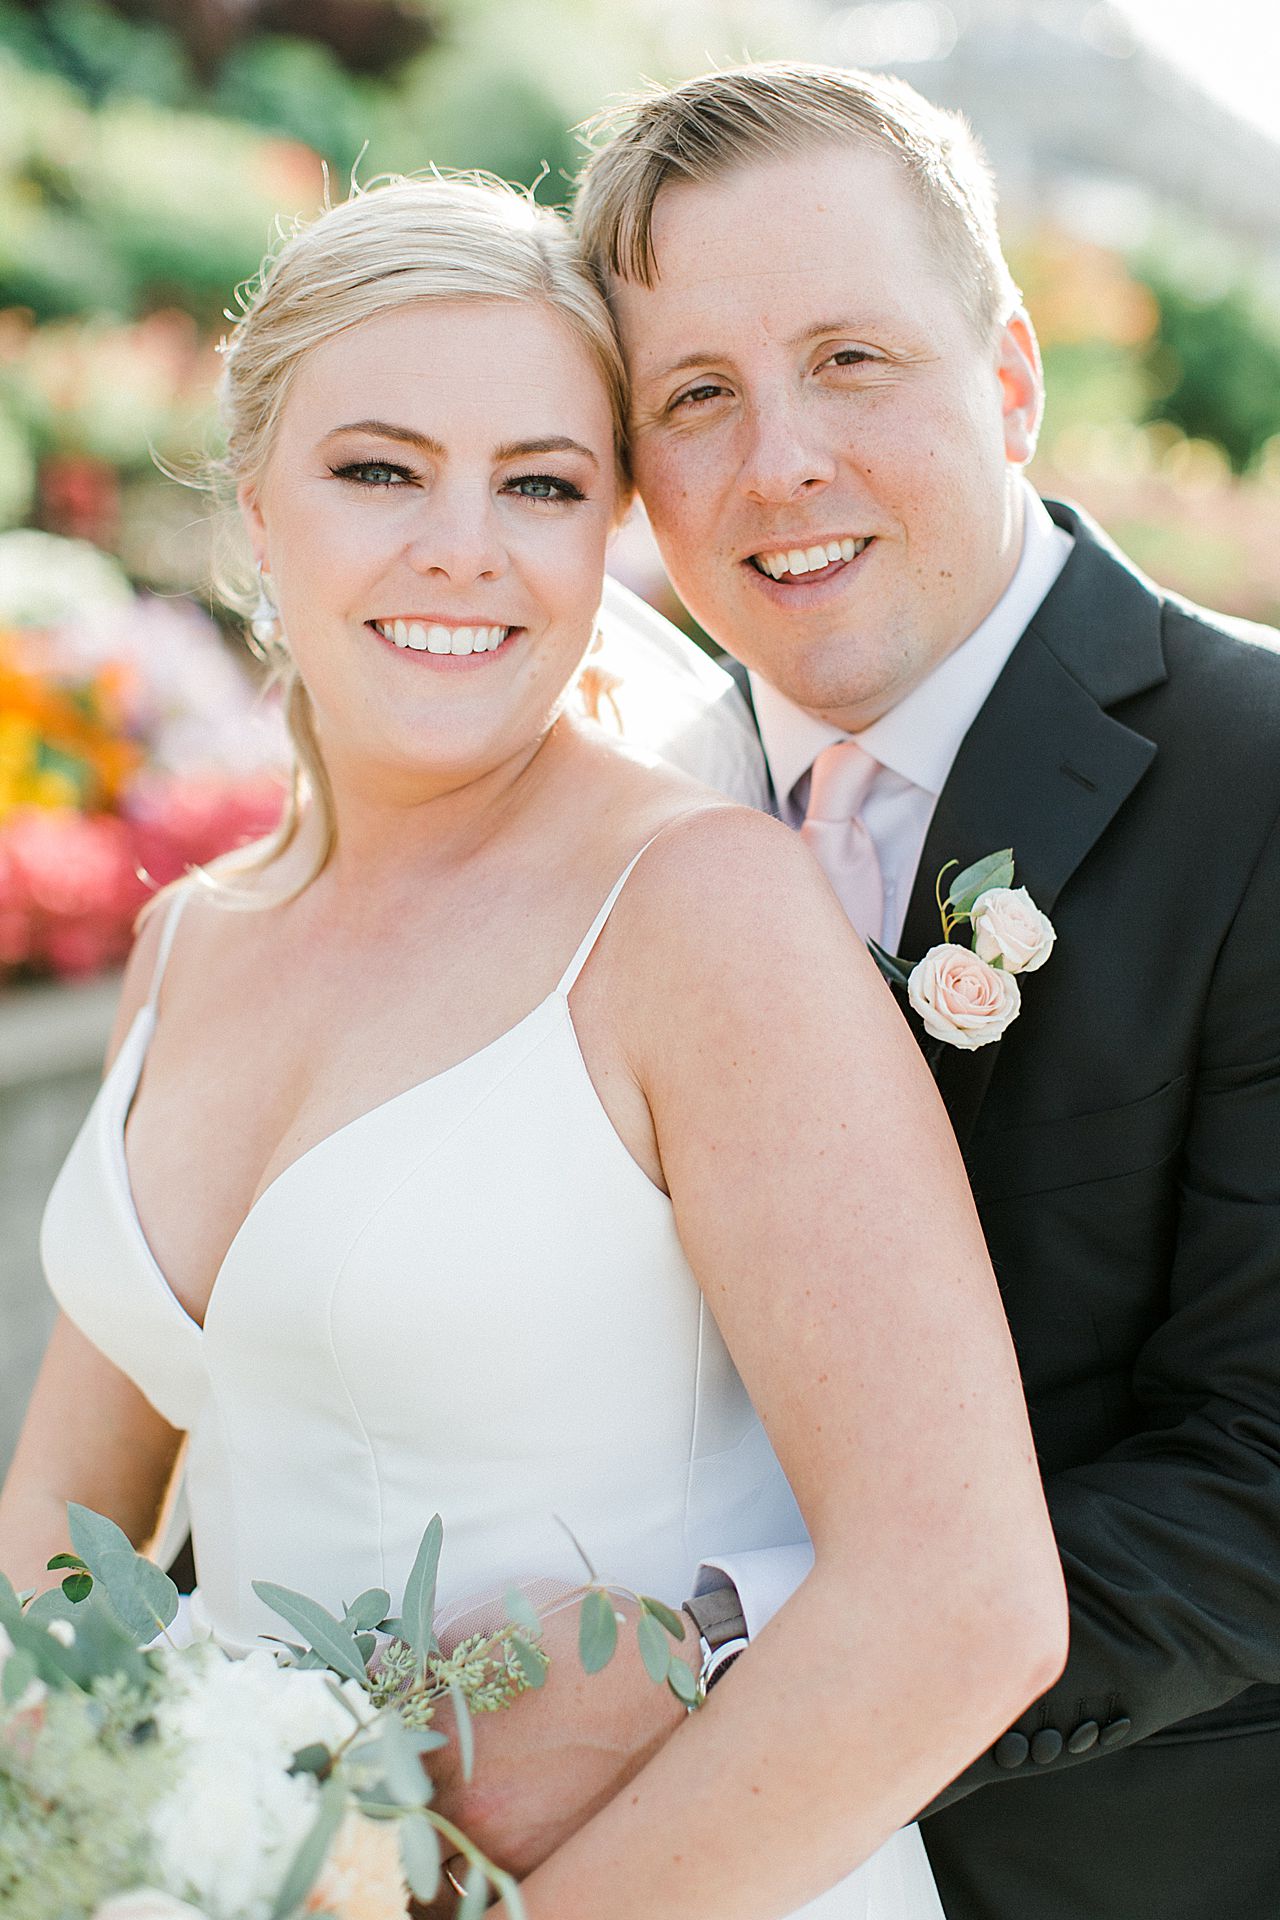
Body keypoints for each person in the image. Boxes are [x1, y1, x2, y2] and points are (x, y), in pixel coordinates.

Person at [0, 177, 1066, 1920]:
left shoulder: (697, 914)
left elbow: (965, 1606)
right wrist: (86, 1830)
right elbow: (67, 1514)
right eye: (378, 468)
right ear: (253, 501)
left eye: (545, 486)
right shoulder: (189, 943)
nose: (463, 549)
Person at [426, 62, 1280, 1920]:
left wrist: (719, 1671)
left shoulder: (1261, 780)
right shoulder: (621, 807)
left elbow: (1262, 1483)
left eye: (852, 361)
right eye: (699, 397)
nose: (779, 460)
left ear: (1014, 378)